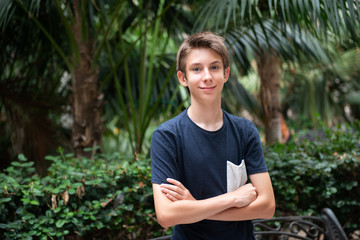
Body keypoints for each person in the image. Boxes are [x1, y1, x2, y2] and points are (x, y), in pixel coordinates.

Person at [150, 31, 275, 240]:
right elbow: (166, 215)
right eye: (196, 69)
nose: (207, 76)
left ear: (225, 74)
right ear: (183, 78)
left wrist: (193, 207)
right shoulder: (167, 136)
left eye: (214, 67)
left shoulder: (245, 131)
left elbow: (267, 206)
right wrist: (232, 199)